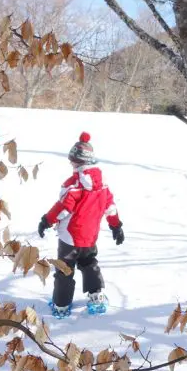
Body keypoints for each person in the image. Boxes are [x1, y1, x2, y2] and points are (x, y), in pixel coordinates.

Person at [37, 132, 124, 318]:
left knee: (65, 269)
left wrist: (46, 220)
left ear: (77, 162)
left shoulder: (74, 185)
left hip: (70, 237)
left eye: (72, 161)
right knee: (89, 263)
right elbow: (111, 208)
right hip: (90, 237)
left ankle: (61, 304)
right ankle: (96, 297)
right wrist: (116, 226)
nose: (71, 164)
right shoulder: (103, 186)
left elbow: (63, 208)